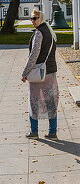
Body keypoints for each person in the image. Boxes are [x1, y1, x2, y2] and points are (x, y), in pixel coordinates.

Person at [21, 9, 60, 139]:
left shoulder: (39, 33)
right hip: (51, 71)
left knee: (34, 101)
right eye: (31, 18)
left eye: (35, 18)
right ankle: (52, 132)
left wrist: (25, 73)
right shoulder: (50, 31)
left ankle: (34, 132)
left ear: (41, 18)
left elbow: (34, 56)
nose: (32, 21)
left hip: (39, 73)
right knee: (51, 102)